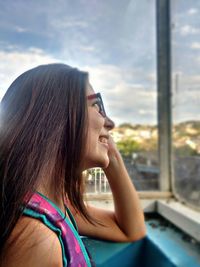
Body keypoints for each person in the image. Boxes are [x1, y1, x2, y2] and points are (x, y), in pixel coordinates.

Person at [0, 63, 146, 267]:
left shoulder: (58, 208)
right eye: (97, 105)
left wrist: (111, 155)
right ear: (56, 116)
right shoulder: (35, 238)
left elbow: (130, 230)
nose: (110, 123)